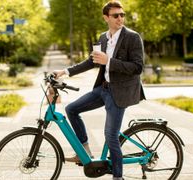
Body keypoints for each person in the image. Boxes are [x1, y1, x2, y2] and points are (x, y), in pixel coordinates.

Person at [53, 1, 146, 179]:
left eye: (122, 15)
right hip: (103, 89)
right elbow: (92, 61)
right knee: (71, 109)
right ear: (106, 18)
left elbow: (137, 67)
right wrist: (64, 72)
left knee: (110, 136)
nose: (120, 18)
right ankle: (85, 151)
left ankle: (118, 176)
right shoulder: (103, 37)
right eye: (115, 15)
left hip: (120, 93)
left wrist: (109, 61)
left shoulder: (133, 37)